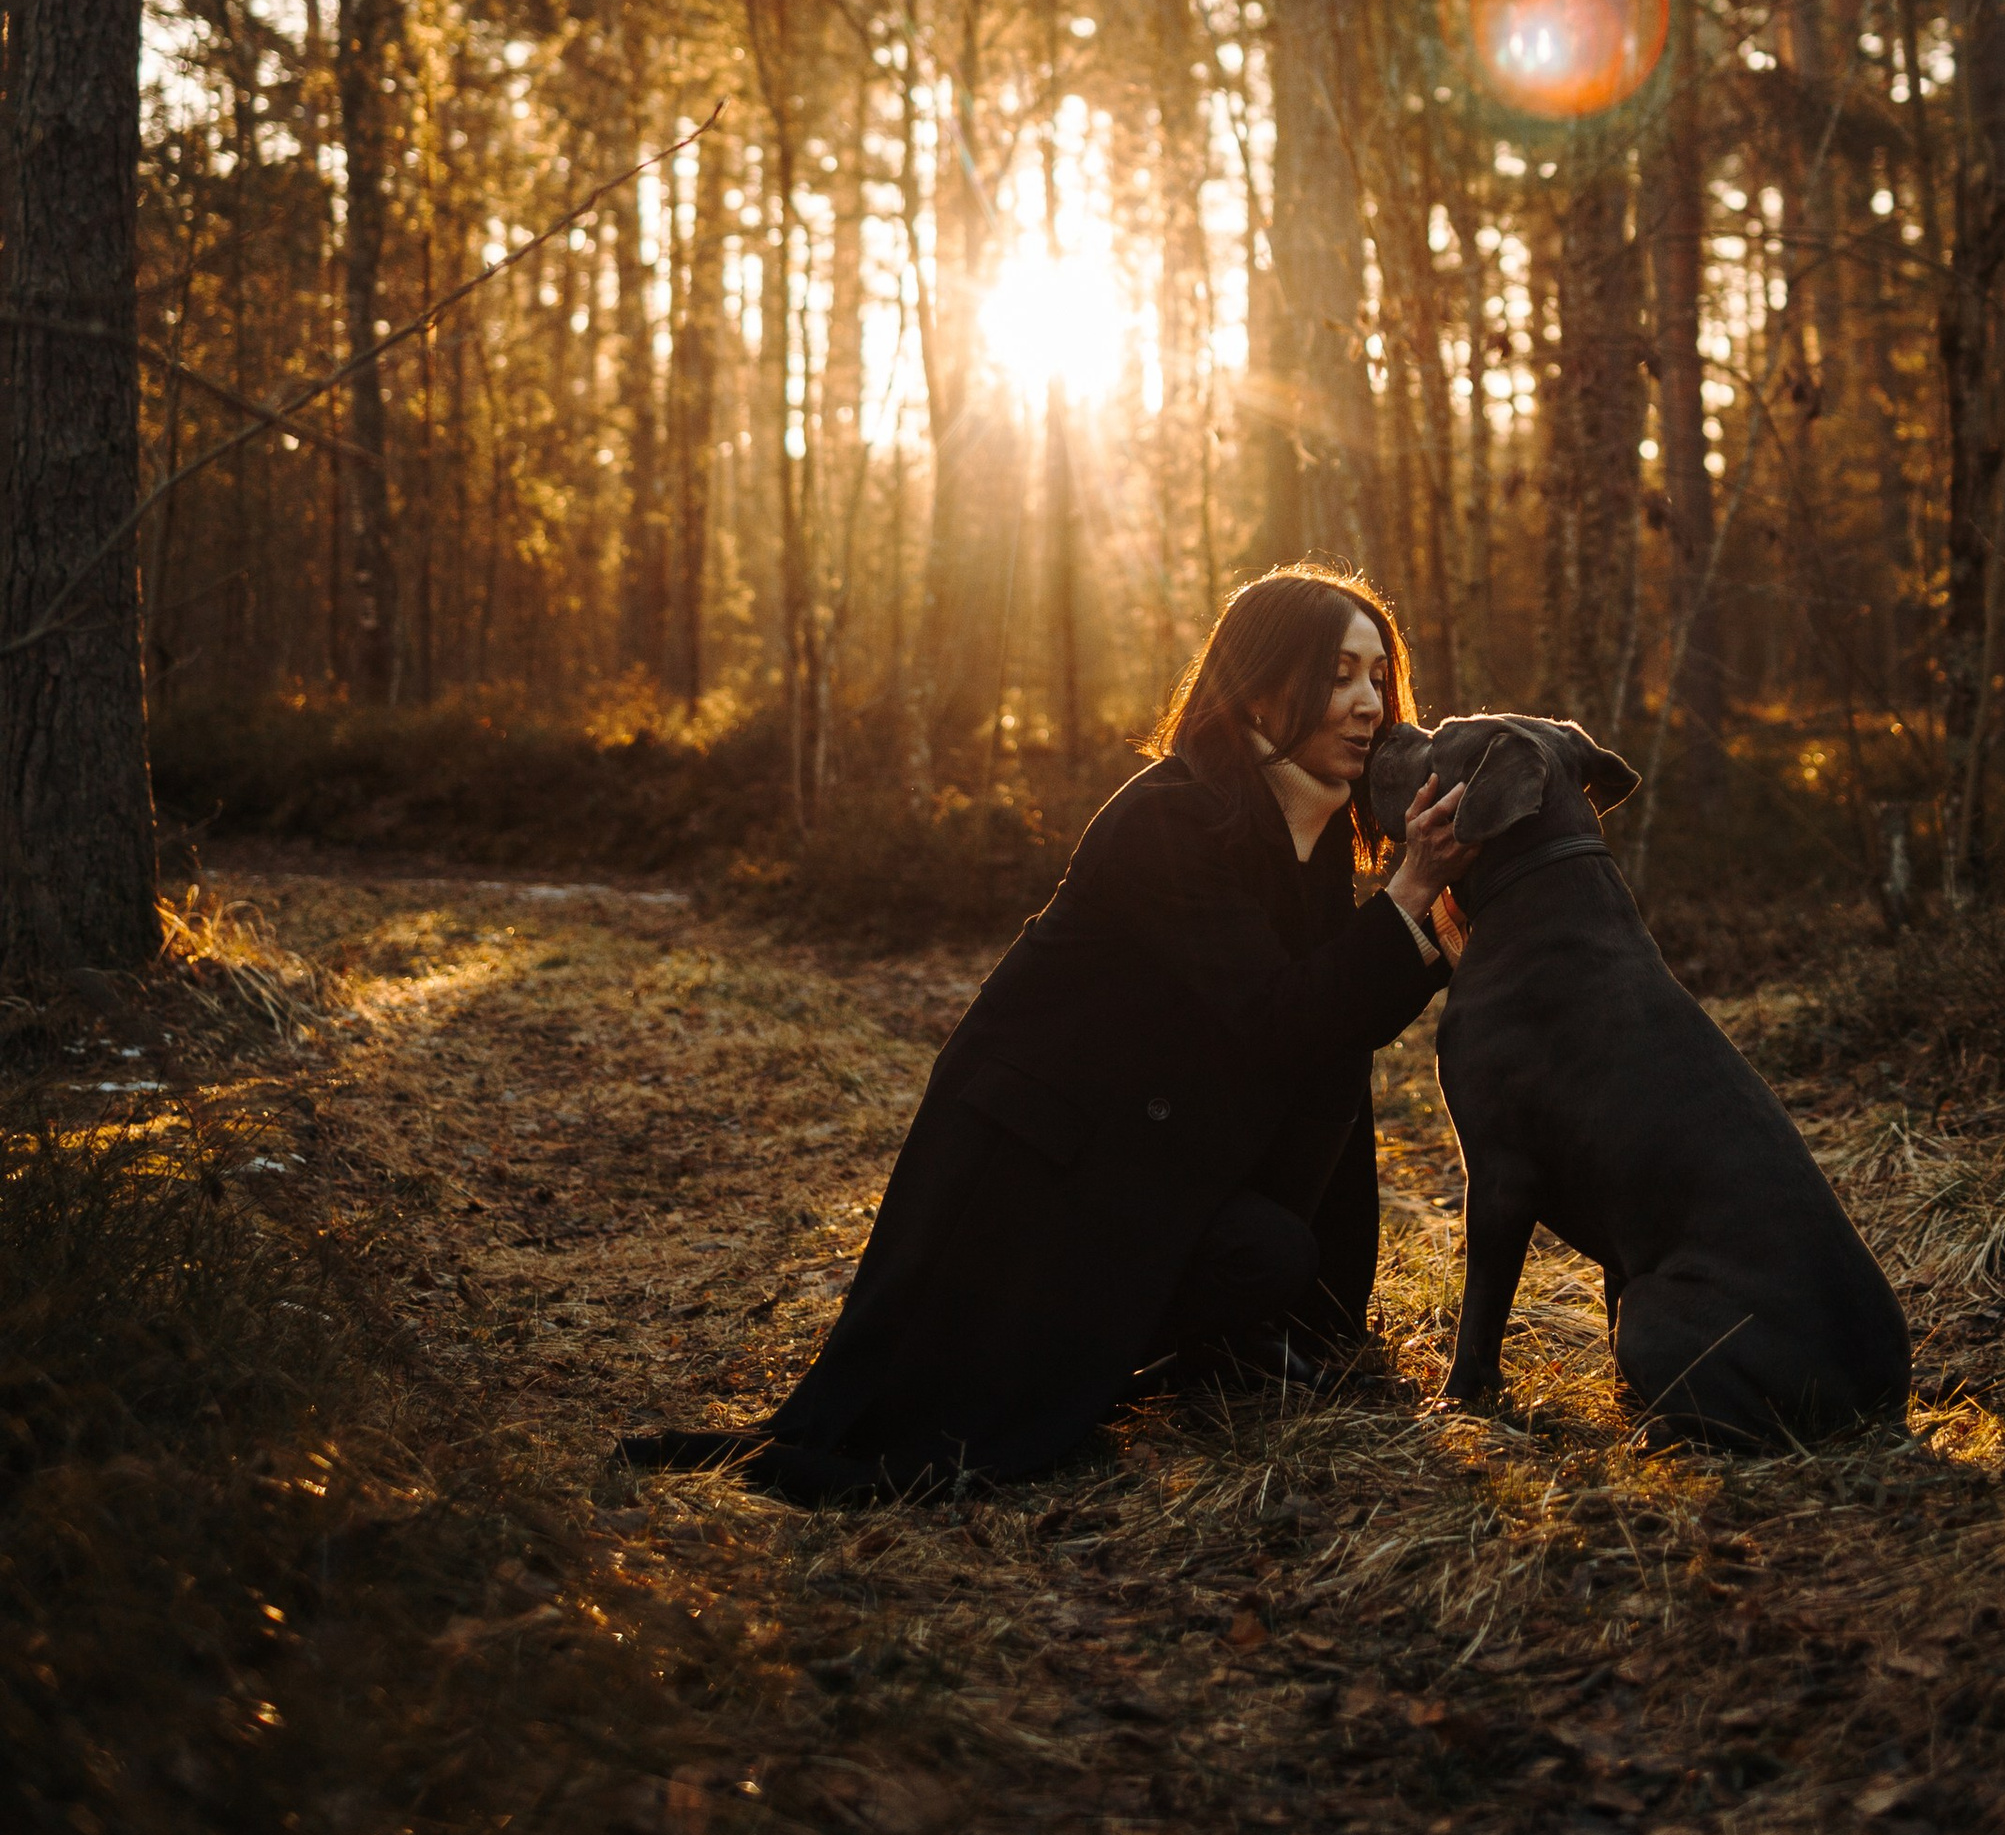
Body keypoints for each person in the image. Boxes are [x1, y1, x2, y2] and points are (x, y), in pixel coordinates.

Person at [617, 565, 1475, 1506]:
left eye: (1377, 678)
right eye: (1339, 675)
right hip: (1035, 1168)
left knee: (1270, 1254)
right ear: (1263, 684)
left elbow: (1325, 1030)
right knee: (1001, 1411)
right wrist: (1406, 892)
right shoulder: (1170, 818)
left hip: (1142, 1153)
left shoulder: (1302, 836)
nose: (1369, 706)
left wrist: (1434, 927)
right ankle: (1114, 1356)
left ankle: (1260, 1342)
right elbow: (1280, 1017)